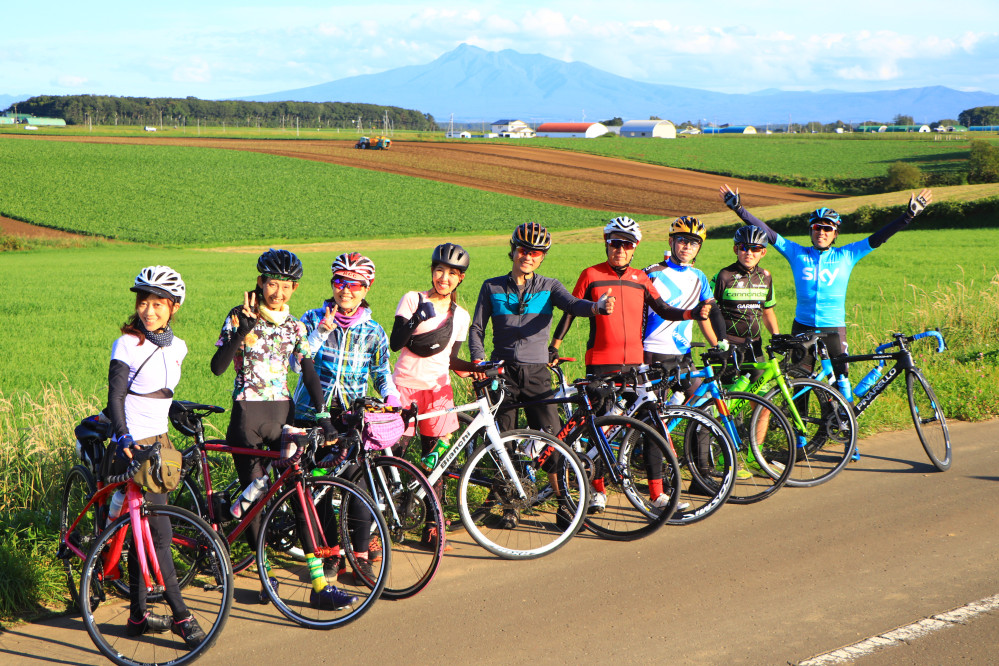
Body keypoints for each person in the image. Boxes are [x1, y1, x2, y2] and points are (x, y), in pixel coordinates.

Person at [211, 248, 354, 610]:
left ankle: (320, 585)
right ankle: (264, 577)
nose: (278, 292)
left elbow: (305, 368)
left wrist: (322, 413)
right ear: (259, 282)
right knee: (256, 501)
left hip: (283, 417)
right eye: (272, 283)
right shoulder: (238, 316)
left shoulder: (294, 325)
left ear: (295, 288)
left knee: (299, 493)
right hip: (247, 418)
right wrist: (241, 331)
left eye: (287, 286)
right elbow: (217, 367)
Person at [551, 216, 711, 510]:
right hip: (600, 364)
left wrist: (692, 314)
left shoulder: (641, 278)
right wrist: (555, 345)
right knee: (596, 429)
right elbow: (571, 311)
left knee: (650, 426)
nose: (620, 250)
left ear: (634, 247)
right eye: (615, 243)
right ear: (607, 244)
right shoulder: (591, 275)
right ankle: (596, 491)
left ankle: (657, 494)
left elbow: (663, 309)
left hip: (636, 366)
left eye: (626, 245)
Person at [468, 221, 612, 528]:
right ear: (513, 251)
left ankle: (563, 503)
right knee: (505, 442)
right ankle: (511, 506)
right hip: (501, 374)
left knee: (552, 440)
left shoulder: (549, 286)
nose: (528, 256)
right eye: (523, 250)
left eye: (535, 252)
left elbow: (574, 304)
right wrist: (480, 362)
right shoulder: (492, 287)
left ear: (542, 256)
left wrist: (597, 307)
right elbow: (477, 329)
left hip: (537, 375)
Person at [719, 184, 932, 376]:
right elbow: (769, 233)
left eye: (827, 228)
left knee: (841, 380)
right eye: (816, 228)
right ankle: (797, 419)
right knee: (798, 380)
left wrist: (908, 216)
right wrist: (739, 209)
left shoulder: (847, 255)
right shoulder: (797, 253)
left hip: (834, 328)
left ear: (835, 233)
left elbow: (878, 238)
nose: (821, 232)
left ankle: (839, 419)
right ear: (811, 231)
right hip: (803, 327)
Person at [106, 265, 204, 646]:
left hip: (160, 443)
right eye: (143, 302)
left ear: (173, 307)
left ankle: (136, 615)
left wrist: (180, 413)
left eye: (158, 304)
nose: (149, 310)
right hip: (131, 442)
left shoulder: (178, 347)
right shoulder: (127, 343)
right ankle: (181, 617)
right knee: (158, 534)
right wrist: (123, 435)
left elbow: (162, 394)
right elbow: (116, 396)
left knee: (146, 532)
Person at [291, 252, 400, 580]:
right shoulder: (312, 317)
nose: (346, 290)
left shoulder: (374, 332)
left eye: (354, 284)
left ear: (367, 288)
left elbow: (381, 372)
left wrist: (392, 397)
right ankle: (330, 554)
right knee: (318, 487)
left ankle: (362, 554)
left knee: (360, 484)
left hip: (352, 417)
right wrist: (322, 331)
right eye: (339, 282)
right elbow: (298, 361)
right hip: (311, 413)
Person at [389, 243, 479, 549]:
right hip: (404, 387)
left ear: (460, 279)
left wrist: (477, 369)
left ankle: (433, 526)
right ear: (432, 271)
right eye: (440, 270)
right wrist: (416, 319)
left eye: (452, 273)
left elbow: (452, 360)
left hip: (438, 391)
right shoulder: (412, 299)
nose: (445, 278)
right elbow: (395, 342)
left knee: (436, 459)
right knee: (394, 455)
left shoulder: (461, 316)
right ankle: (386, 519)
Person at [710, 225, 780, 364]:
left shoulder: (765, 277)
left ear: (763, 252)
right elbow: (706, 312)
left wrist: (776, 336)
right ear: (736, 249)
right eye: (743, 247)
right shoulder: (723, 276)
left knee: (761, 384)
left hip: (755, 345)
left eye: (755, 249)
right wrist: (717, 343)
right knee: (727, 386)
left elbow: (767, 311)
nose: (749, 253)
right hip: (728, 346)